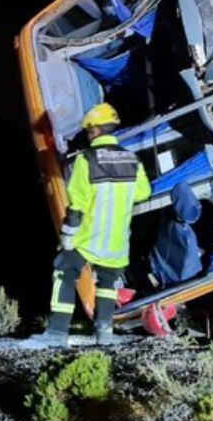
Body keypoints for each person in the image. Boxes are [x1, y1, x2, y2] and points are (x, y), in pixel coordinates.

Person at [28, 103, 151, 347]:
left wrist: (67, 236)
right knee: (107, 284)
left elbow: (78, 205)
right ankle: (104, 332)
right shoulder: (131, 159)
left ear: (94, 130)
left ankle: (57, 332)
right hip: (117, 242)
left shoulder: (87, 159)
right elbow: (143, 192)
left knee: (64, 272)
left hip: (89, 237)